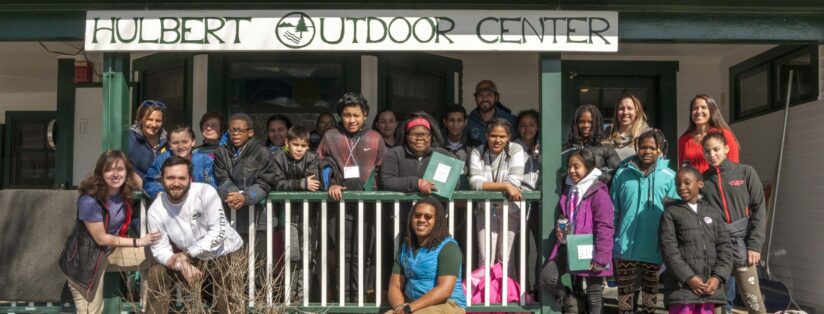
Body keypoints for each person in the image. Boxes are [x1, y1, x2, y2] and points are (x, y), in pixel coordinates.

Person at [59, 150, 161, 314]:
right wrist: (138, 241)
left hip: (110, 252)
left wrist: (128, 169)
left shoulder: (122, 192)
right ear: (100, 172)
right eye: (109, 169)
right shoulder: (89, 200)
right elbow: (101, 238)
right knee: (93, 311)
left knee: (156, 257)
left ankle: (149, 309)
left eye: (120, 169)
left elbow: (142, 184)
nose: (115, 174)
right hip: (86, 262)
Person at [145, 156, 245, 313]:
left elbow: (219, 231)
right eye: (170, 178)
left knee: (227, 296)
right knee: (157, 273)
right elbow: (160, 249)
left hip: (225, 252)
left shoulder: (206, 192)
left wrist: (188, 253)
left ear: (190, 179)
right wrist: (181, 264)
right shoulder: (156, 209)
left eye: (181, 178)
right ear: (162, 180)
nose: (176, 183)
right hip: (190, 259)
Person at [317, 92, 386, 301]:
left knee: (363, 254)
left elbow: (383, 170)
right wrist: (331, 184)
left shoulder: (375, 138)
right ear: (341, 116)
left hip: (367, 205)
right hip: (339, 206)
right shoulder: (330, 136)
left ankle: (360, 300)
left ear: (365, 115)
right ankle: (343, 300)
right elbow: (321, 163)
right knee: (343, 255)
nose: (352, 120)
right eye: (347, 115)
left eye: (356, 115)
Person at [611, 129, 679, 314]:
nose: (647, 151)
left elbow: (676, 214)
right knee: (625, 295)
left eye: (652, 147)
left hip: (654, 245)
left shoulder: (669, 176)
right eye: (643, 147)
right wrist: (612, 238)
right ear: (637, 148)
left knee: (650, 293)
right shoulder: (622, 174)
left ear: (660, 150)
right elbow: (614, 209)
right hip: (625, 246)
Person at [540, 149, 614, 314]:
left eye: (576, 166)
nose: (571, 171)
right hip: (571, 246)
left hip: (592, 248)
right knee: (548, 276)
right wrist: (562, 229)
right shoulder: (570, 190)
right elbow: (568, 216)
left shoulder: (599, 194)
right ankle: (571, 301)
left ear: (588, 167)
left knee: (594, 293)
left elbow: (605, 227)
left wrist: (601, 257)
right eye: (569, 166)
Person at [701, 131, 766, 314]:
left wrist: (755, 245)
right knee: (718, 302)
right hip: (717, 247)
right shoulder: (703, 181)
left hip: (743, 246)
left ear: (726, 149)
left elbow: (759, 208)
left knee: (753, 299)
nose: (712, 155)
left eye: (716, 149)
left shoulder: (745, 172)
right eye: (707, 151)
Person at [659, 166, 732, 314]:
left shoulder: (713, 213)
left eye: (687, 183)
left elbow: (725, 247)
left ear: (700, 184)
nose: (681, 187)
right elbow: (669, 251)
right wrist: (689, 278)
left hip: (708, 289)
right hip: (681, 289)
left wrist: (717, 278)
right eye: (678, 184)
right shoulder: (670, 213)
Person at [272, 125, 326, 298]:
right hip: (287, 216)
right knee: (292, 255)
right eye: (295, 145)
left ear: (308, 145)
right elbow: (277, 184)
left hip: (309, 215)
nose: (299, 149)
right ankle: (290, 294)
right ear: (287, 143)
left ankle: (303, 295)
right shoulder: (278, 158)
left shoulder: (312, 158)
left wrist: (302, 184)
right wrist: (301, 184)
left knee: (308, 256)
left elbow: (314, 184)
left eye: (303, 146)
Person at [386, 197, 467, 314]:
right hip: (413, 306)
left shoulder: (448, 248)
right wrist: (399, 308)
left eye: (428, 217)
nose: (421, 220)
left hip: (448, 305)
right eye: (417, 215)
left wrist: (409, 309)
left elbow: (444, 290)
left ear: (437, 221)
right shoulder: (406, 247)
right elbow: (395, 286)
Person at [468, 118, 525, 268]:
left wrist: (507, 185)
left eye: (502, 137)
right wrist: (505, 186)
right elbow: (475, 183)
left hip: (510, 211)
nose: (497, 140)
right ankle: (486, 291)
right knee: (485, 259)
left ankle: (504, 292)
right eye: (493, 135)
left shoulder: (516, 149)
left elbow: (515, 182)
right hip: (484, 210)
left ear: (508, 137)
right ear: (486, 135)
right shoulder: (477, 152)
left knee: (505, 259)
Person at [214, 113, 277, 237]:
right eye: (232, 130)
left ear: (250, 133)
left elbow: (265, 183)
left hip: (259, 219)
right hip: (230, 216)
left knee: (260, 256)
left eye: (240, 130)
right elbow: (223, 180)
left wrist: (245, 197)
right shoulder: (221, 152)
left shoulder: (262, 152)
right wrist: (232, 195)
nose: (235, 134)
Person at [379, 112, 450, 194]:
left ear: (431, 136)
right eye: (414, 134)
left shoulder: (443, 155)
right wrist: (416, 183)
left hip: (434, 204)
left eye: (424, 134)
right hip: (403, 206)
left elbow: (456, 181)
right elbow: (387, 182)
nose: (419, 138)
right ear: (406, 136)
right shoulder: (395, 154)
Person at [143, 125, 217, 200]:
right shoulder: (162, 160)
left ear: (193, 142)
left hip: (198, 202)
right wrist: (159, 193)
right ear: (169, 144)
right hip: (170, 202)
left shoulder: (205, 160)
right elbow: (149, 181)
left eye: (185, 142)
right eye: (175, 143)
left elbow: (213, 183)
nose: (180, 146)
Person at [678, 94, 740, 173]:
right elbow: (682, 171)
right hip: (694, 184)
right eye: (695, 108)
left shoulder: (724, 134)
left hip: (717, 183)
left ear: (711, 111)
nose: (699, 111)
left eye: (703, 107)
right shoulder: (684, 140)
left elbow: (734, 167)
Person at [565, 104, 621, 183]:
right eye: (581, 122)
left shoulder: (605, 147)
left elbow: (618, 175)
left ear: (597, 124)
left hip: (597, 192)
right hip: (571, 193)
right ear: (576, 124)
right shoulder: (569, 148)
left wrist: (596, 175)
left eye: (590, 122)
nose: (586, 125)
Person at [466, 80, 518, 146]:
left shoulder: (511, 120)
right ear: (475, 98)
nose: (485, 99)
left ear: (496, 97)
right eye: (481, 95)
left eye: (489, 95)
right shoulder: (468, 121)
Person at [127, 99, 168, 184]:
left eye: (158, 121)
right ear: (140, 119)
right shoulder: (129, 138)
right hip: (136, 193)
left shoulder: (168, 141)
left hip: (163, 192)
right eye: (149, 119)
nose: (153, 124)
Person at [604, 94, 652, 161]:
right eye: (621, 108)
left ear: (637, 112)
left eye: (629, 108)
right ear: (616, 112)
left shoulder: (647, 134)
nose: (625, 112)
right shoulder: (607, 133)